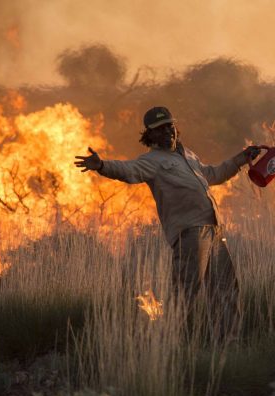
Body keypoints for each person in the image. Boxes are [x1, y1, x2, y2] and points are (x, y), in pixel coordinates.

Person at [74, 106, 260, 336]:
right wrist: (102, 166)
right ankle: (169, 342)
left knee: (226, 290)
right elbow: (128, 169)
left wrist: (242, 158)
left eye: (170, 126)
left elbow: (213, 175)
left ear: (176, 128)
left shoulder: (188, 155)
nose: (167, 132)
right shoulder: (151, 161)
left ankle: (229, 344)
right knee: (184, 293)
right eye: (159, 129)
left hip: (213, 230)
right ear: (149, 135)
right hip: (189, 232)